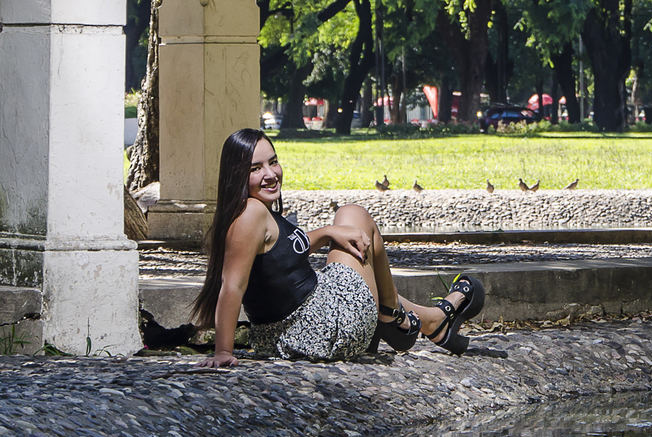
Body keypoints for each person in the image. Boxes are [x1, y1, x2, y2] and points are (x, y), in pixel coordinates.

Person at [192, 128, 484, 367]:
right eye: (256, 168)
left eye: (273, 161)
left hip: (301, 329)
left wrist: (327, 232)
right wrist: (223, 352)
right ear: (236, 175)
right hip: (322, 330)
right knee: (354, 215)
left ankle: (421, 319)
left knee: (344, 229)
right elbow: (232, 286)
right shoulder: (250, 216)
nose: (271, 174)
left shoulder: (251, 212)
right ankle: (396, 317)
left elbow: (280, 257)